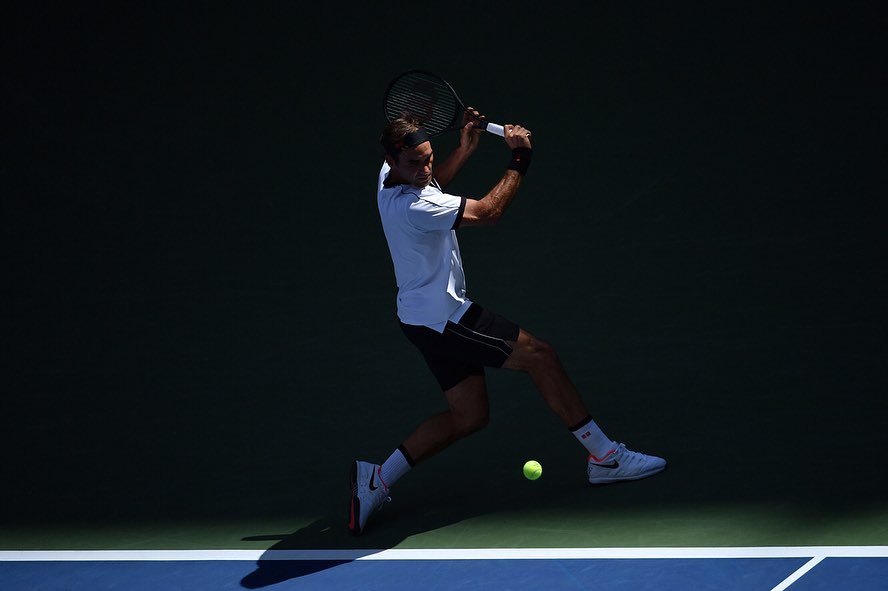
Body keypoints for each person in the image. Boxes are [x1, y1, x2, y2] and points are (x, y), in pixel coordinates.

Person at [348, 107, 666, 536]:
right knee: (540, 356)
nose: (425, 169)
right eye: (415, 162)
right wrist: (519, 158)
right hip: (447, 316)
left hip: (417, 319)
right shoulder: (416, 206)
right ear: (392, 160)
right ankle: (605, 457)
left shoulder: (387, 177)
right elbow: (488, 212)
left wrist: (463, 148)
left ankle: (377, 479)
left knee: (469, 416)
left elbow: (435, 181)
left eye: (427, 156)